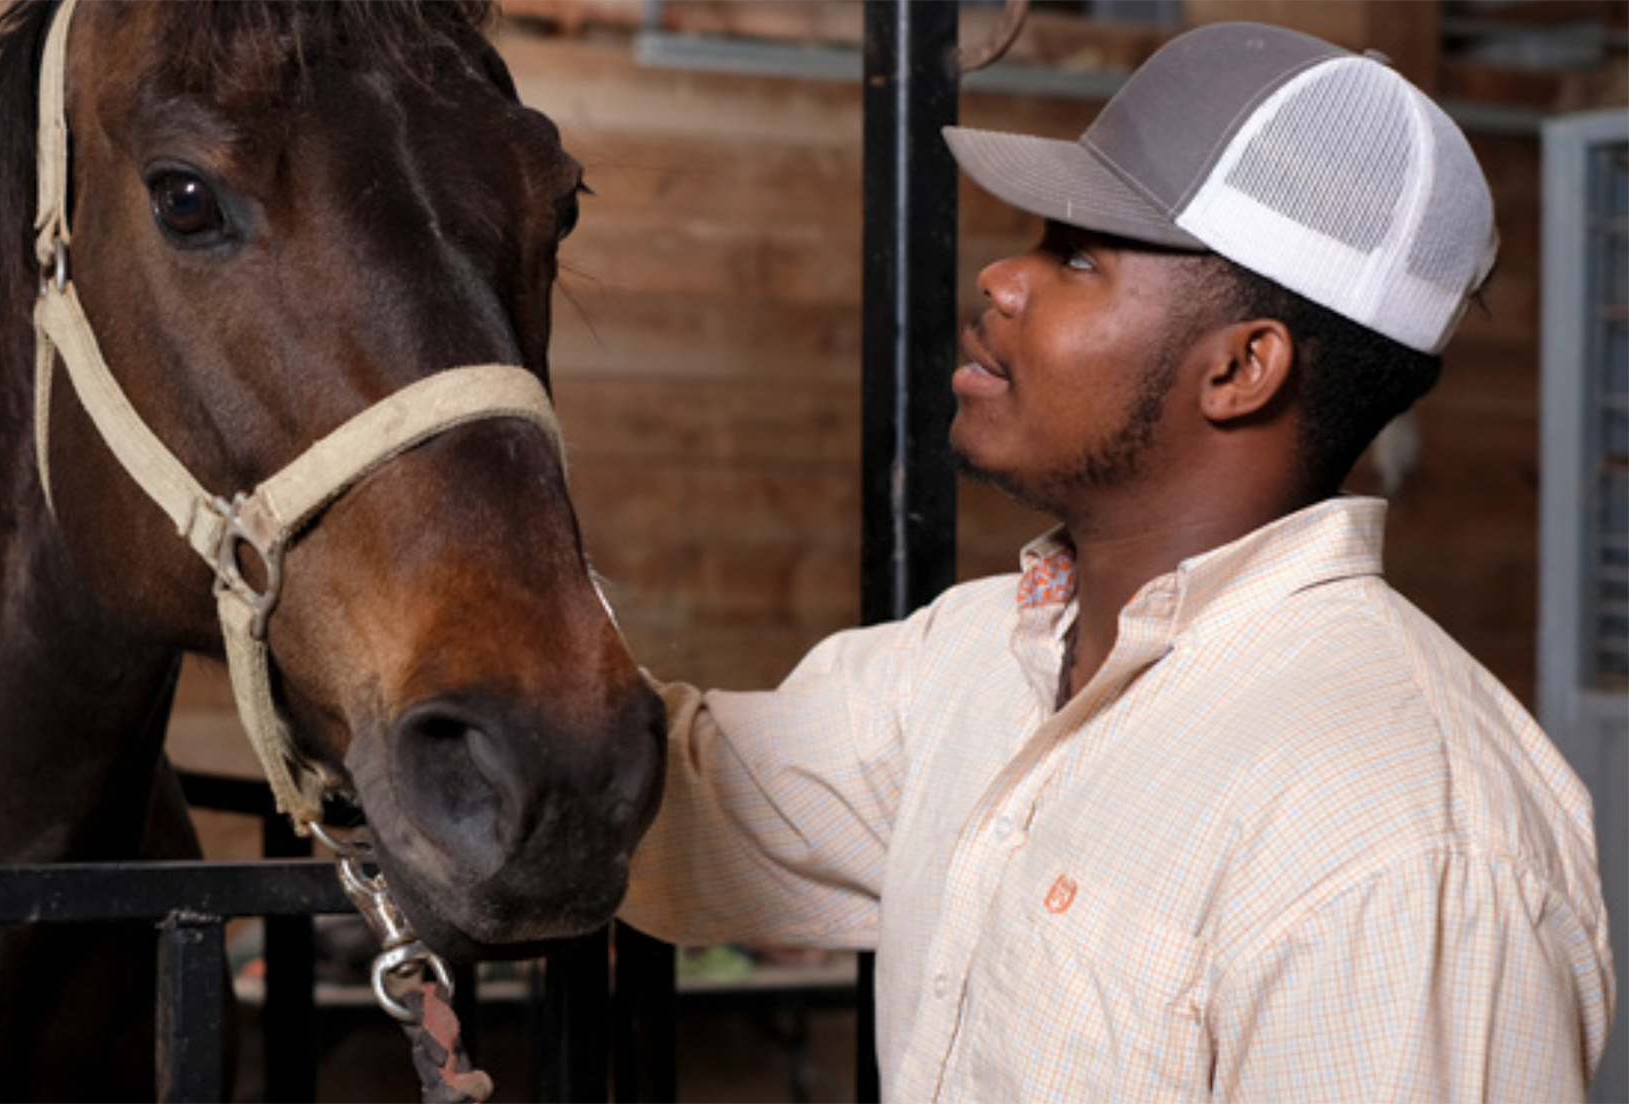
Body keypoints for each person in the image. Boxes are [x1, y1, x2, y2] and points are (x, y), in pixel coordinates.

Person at [618, 21, 1614, 1101]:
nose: (1001, 277)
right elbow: (642, 802)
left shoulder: (1402, 833)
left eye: (1077, 255)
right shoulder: (969, 659)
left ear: (1240, 367)